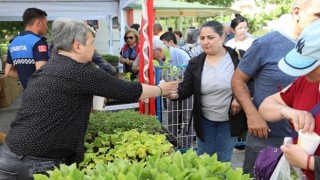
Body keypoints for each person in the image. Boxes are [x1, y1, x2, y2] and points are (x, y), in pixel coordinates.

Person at [0, 17, 178, 179]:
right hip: (35, 162)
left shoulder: (50, 66)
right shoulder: (80, 71)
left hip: (10, 154)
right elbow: (128, 90)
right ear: (77, 46)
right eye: (91, 43)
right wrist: (161, 89)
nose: (94, 48)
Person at [231, 0, 320, 176]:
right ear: (296, 12)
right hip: (267, 137)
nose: (304, 72)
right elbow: (238, 80)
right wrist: (253, 115)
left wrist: (310, 163)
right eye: (318, 16)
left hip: (297, 145)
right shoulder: (266, 44)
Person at [168, 20, 242, 162]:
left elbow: (249, 82)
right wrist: (174, 94)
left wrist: (239, 98)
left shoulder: (237, 58)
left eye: (210, 37)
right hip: (205, 120)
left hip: (229, 120)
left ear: (222, 37)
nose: (205, 42)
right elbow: (186, 89)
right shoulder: (195, 63)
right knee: (203, 159)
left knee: (223, 160)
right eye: (202, 38)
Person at [258, 19, 320, 180]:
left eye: (310, 65)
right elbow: (266, 106)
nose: (304, 71)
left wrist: (310, 163)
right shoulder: (306, 81)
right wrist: (288, 111)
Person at [5, 7, 49, 89]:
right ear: (38, 22)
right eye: (46, 23)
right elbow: (42, 73)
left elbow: (8, 72)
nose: (47, 27)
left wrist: (25, 78)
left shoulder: (13, 42)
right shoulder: (38, 42)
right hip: (41, 93)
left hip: (26, 93)